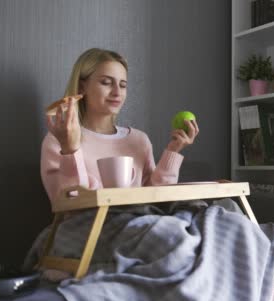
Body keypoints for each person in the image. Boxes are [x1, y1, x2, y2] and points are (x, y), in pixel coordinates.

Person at [40, 48, 199, 203]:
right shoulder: (59, 141)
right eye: (106, 82)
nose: (117, 92)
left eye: (123, 85)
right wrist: (70, 150)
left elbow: (157, 202)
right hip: (94, 227)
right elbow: (69, 206)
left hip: (141, 222)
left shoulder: (139, 140)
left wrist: (173, 150)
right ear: (82, 87)